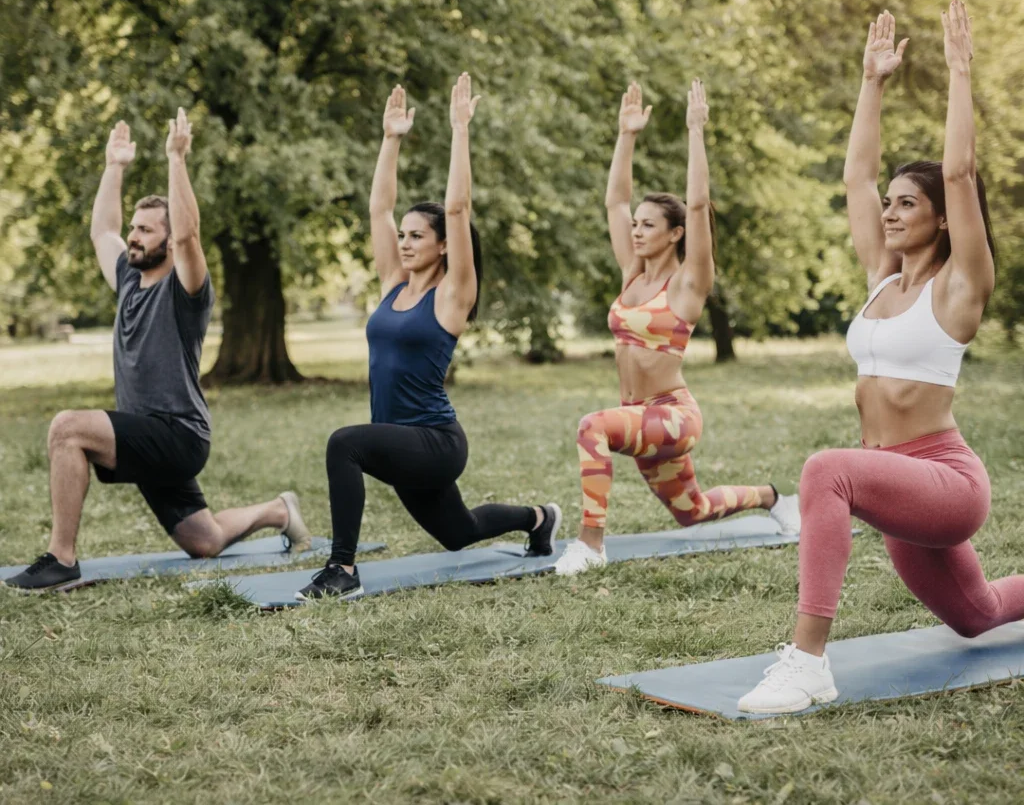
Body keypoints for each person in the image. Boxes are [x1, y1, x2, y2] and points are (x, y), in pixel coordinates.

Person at [738, 2, 1022, 714]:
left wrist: (960, 74)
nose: (890, 213)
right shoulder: (881, 278)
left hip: (945, 479)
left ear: (942, 218)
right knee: (977, 615)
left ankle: (807, 662)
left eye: (907, 204)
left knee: (824, 469)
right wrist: (873, 82)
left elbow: (960, 172)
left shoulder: (961, 287)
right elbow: (856, 176)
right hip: (898, 490)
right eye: (889, 204)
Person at [3, 111, 310, 592]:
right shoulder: (128, 277)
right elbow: (100, 231)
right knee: (203, 540)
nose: (134, 236)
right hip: (146, 432)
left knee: (67, 428)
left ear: (168, 241)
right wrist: (114, 166)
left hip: (179, 434)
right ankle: (279, 510)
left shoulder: (186, 291)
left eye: (147, 230)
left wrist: (176, 158)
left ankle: (62, 558)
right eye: (135, 227)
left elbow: (189, 234)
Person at [297, 75, 561, 600]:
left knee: (344, 443)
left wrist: (459, 129)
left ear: (444, 247)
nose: (405, 241)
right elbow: (378, 210)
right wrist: (390, 139)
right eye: (405, 235)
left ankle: (342, 569)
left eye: (418, 235)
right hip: (401, 443)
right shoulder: (394, 284)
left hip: (436, 442)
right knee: (457, 533)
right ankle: (540, 518)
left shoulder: (451, 295)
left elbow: (459, 209)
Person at [554, 80, 799, 577]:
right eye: (637, 224)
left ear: (676, 233)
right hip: (638, 416)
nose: (636, 230)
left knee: (591, 426)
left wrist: (695, 131)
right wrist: (626, 136)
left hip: (672, 415)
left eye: (648, 225)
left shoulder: (689, 283)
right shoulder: (631, 274)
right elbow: (614, 203)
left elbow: (700, 203)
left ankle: (591, 545)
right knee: (693, 512)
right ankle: (775, 497)